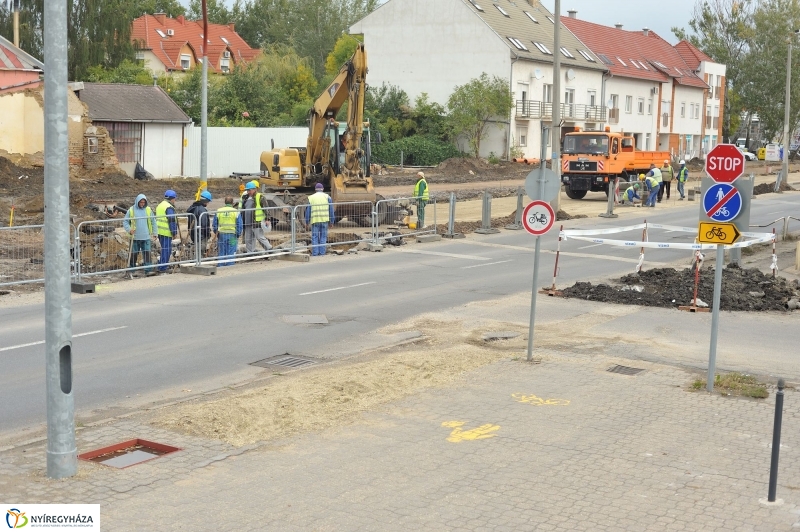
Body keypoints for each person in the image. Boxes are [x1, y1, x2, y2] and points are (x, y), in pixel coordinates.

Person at [122, 193, 157, 276]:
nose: (142, 204)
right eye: (141, 202)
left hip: (146, 237)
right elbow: (125, 221)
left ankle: (148, 270)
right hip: (135, 237)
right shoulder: (131, 210)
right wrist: (129, 230)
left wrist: (155, 232)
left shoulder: (148, 210)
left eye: (144, 202)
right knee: (133, 255)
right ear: (137, 201)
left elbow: (153, 221)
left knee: (147, 254)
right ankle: (131, 271)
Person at [240, 180, 272, 254]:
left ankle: (270, 249)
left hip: (256, 222)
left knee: (259, 237)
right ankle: (250, 253)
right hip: (247, 222)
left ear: (254, 189)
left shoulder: (260, 197)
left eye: (249, 190)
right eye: (247, 190)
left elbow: (266, 208)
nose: (248, 192)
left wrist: (267, 219)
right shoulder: (245, 198)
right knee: (248, 239)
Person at [305, 182, 334, 256]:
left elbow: (308, 211)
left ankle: (315, 253)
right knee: (323, 236)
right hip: (324, 220)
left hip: (315, 220)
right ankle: (322, 253)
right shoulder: (327, 197)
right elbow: (331, 210)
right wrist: (332, 221)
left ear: (315, 189)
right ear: (323, 189)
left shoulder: (311, 197)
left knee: (315, 237)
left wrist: (307, 222)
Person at [213, 196, 242, 266]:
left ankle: (221, 265)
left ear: (225, 202)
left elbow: (215, 224)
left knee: (221, 251)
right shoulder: (236, 212)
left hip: (222, 234)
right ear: (232, 203)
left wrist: (216, 232)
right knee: (231, 251)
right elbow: (239, 224)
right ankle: (230, 265)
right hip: (233, 235)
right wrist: (238, 234)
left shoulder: (219, 211)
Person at [155, 190, 178, 272]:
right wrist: (174, 232)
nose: (175, 200)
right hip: (166, 232)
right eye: (174, 199)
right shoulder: (169, 207)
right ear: (172, 198)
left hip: (159, 231)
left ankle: (161, 266)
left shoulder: (160, 205)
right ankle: (163, 268)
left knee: (164, 250)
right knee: (166, 250)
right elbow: (171, 220)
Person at [187, 190, 212, 258]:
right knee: (200, 251)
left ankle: (196, 261)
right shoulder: (202, 210)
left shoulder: (193, 207)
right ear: (206, 201)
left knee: (197, 251)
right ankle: (197, 262)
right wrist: (207, 234)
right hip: (201, 235)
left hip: (194, 233)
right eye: (208, 201)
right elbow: (204, 224)